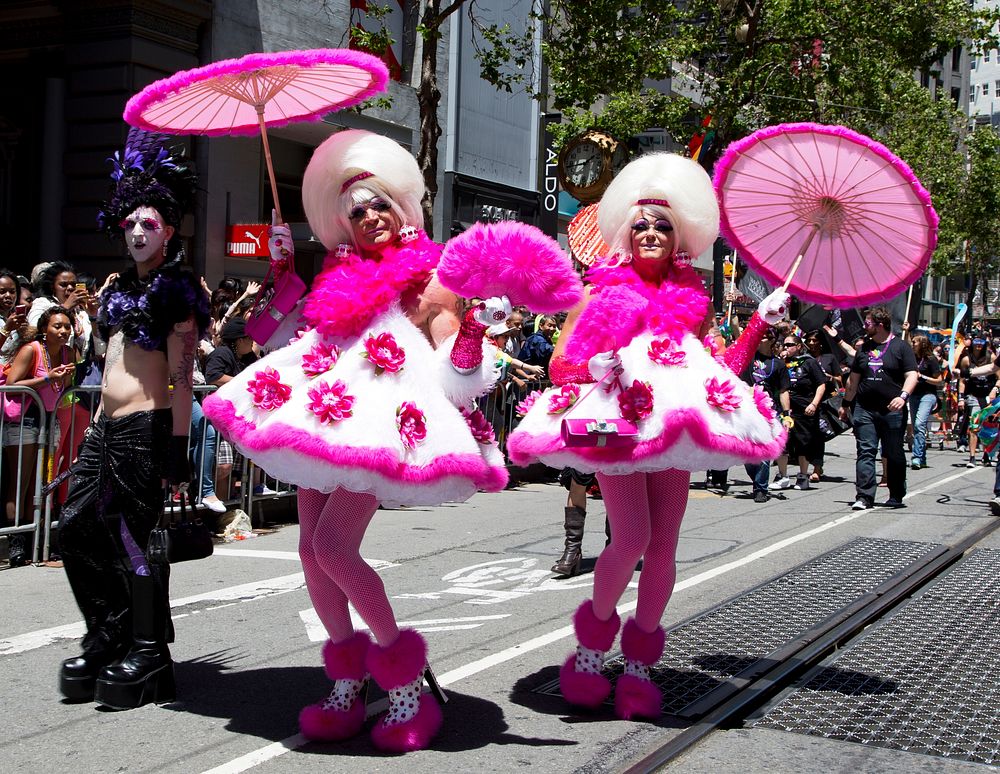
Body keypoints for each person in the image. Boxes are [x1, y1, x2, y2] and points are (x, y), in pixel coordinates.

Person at [203, 130, 572, 751]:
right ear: (343, 225)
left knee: (334, 550)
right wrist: (280, 275)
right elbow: (288, 339)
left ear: (401, 210)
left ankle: (406, 686)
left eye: (379, 205)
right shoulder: (334, 275)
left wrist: (478, 333)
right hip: (325, 418)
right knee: (309, 556)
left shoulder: (433, 280)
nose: (370, 216)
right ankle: (348, 683)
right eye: (356, 210)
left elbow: (460, 379)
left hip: (381, 429)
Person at [507, 153, 788, 720]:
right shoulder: (597, 293)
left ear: (678, 237)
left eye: (663, 225)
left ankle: (637, 667)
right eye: (642, 224)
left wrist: (762, 321)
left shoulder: (693, 303)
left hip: (673, 434)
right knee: (630, 538)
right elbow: (561, 366)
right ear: (625, 235)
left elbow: (722, 370)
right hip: (615, 429)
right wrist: (596, 365)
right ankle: (591, 649)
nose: (653, 232)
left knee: (662, 549)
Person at [57, 129, 208, 709]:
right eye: (132, 224)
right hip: (105, 427)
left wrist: (176, 448)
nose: (139, 233)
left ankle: (149, 652)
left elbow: (181, 374)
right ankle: (108, 633)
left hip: (146, 432)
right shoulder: (117, 289)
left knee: (132, 541)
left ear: (168, 232)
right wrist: (96, 421)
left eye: (151, 225)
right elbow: (113, 362)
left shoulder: (178, 290)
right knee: (73, 527)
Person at [4, 306, 75, 566]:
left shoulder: (69, 352)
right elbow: (11, 382)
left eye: (67, 326)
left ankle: (38, 542)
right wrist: (46, 379)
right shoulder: (32, 349)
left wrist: (65, 377)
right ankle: (16, 545)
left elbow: (64, 388)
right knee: (20, 483)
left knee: (42, 484)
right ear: (45, 329)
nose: (63, 331)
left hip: (50, 419)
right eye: (57, 326)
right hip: (24, 419)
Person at [839, 306, 918, 510]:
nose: (865, 326)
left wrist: (903, 396)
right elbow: (853, 381)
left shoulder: (901, 347)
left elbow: (912, 375)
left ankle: (896, 493)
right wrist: (846, 404)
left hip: (893, 411)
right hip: (865, 409)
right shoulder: (863, 349)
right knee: (865, 451)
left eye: (868, 323)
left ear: (880, 325)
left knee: (893, 453)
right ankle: (864, 496)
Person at [777, 334, 826, 490]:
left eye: (789, 345)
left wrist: (814, 403)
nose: (786, 348)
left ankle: (803, 476)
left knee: (802, 443)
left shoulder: (809, 362)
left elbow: (821, 384)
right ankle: (783, 476)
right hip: (785, 409)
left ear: (798, 347)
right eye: (783, 345)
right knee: (782, 442)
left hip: (804, 409)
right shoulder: (781, 362)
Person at [28, 260, 92, 359]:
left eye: (73, 284)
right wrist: (65, 308)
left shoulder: (80, 311)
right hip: (51, 364)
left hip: (79, 368)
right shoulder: (41, 303)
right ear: (52, 287)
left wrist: (94, 316)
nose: (70, 288)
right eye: (63, 285)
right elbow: (34, 330)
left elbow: (99, 348)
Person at [957, 336, 995, 467]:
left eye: (981, 343)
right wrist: (961, 398)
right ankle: (972, 457)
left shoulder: (991, 357)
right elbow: (961, 380)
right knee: (974, 426)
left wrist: (995, 389)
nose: (979, 345)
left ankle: (987, 455)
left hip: (989, 397)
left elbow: (996, 374)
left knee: (988, 427)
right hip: (973, 395)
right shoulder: (966, 359)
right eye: (976, 342)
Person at [908, 334, 942, 469]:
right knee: (917, 428)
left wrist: (923, 377)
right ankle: (922, 457)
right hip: (913, 394)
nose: (912, 344)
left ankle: (916, 457)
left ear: (922, 344)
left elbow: (939, 380)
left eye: (914, 342)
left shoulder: (931, 360)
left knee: (919, 423)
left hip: (927, 395)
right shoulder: (911, 358)